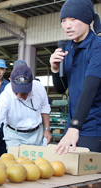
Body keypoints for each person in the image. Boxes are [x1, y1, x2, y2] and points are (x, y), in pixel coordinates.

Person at [50, 0, 101, 154]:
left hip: (93, 127)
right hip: (73, 126)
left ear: (86, 20)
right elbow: (61, 88)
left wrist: (75, 126)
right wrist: (54, 69)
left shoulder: (97, 47)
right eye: (64, 21)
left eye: (73, 19)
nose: (67, 25)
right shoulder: (68, 48)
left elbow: (90, 89)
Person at [0, 65, 52, 151]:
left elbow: (44, 108)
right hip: (14, 136)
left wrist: (46, 129)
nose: (20, 95)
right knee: (15, 163)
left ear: (32, 82)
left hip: (37, 134)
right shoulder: (6, 96)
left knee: (37, 162)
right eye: (17, 91)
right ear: (11, 82)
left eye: (24, 92)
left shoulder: (39, 87)